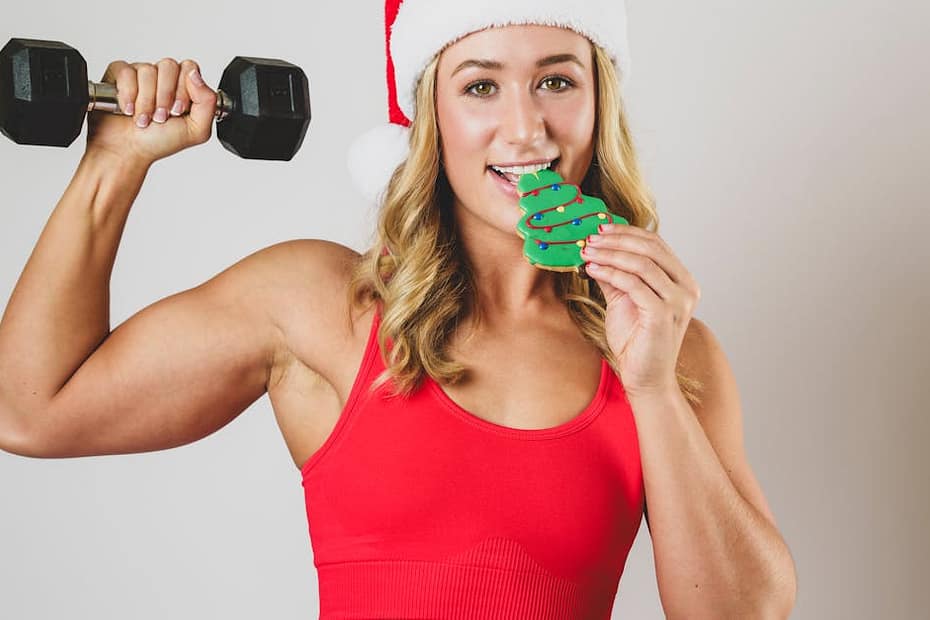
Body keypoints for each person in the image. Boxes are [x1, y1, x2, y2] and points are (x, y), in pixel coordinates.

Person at [0, 0, 797, 617]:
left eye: (557, 80)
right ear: (428, 118)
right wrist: (112, 163)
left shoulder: (671, 351)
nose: (525, 127)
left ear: (599, 103)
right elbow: (31, 411)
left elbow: (745, 611)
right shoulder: (320, 305)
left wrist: (653, 387)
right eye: (480, 85)